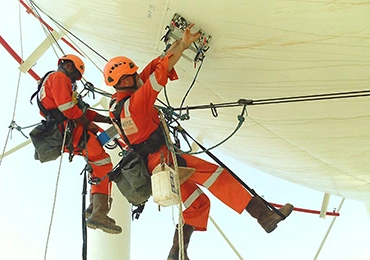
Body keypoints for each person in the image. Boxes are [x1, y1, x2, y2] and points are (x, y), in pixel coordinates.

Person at [103, 25, 293, 259]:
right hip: (165, 160)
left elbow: (152, 68)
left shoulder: (118, 104)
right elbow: (159, 73)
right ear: (126, 80)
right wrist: (182, 45)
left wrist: (172, 49)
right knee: (217, 176)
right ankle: (263, 215)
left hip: (154, 166)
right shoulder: (137, 103)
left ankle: (177, 253)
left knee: (198, 203)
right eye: (133, 74)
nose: (137, 76)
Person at [36, 54, 122, 234]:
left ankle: (95, 209)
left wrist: (107, 120)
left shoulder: (51, 81)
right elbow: (68, 108)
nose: (75, 81)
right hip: (71, 131)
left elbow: (82, 111)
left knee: (98, 165)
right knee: (104, 164)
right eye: (75, 76)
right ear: (68, 66)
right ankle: (99, 213)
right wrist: (86, 123)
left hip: (66, 133)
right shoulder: (59, 77)